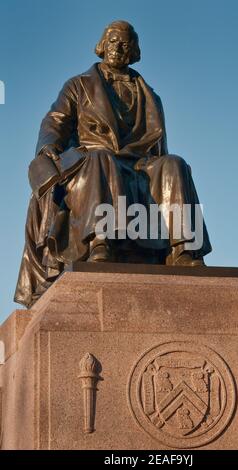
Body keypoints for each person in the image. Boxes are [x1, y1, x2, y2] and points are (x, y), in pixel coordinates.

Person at [14, 20, 212, 308]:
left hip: (139, 163)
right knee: (101, 158)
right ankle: (99, 242)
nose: (118, 48)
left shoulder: (151, 95)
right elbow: (54, 123)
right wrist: (48, 150)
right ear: (102, 46)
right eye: (112, 42)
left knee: (174, 165)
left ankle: (184, 250)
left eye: (124, 43)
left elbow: (159, 146)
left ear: (133, 50)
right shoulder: (78, 85)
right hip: (95, 161)